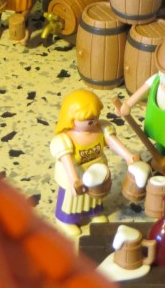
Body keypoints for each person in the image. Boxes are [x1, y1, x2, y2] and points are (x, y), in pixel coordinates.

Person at [51, 88, 139, 237]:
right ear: (70, 118)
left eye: (96, 117)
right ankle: (66, 220)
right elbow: (66, 160)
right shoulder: (65, 139)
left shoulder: (101, 129)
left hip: (96, 171)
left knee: (95, 197)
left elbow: (113, 142)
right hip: (76, 171)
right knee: (72, 200)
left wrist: (128, 156)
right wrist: (74, 180)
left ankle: (93, 213)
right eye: (88, 120)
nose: (93, 122)